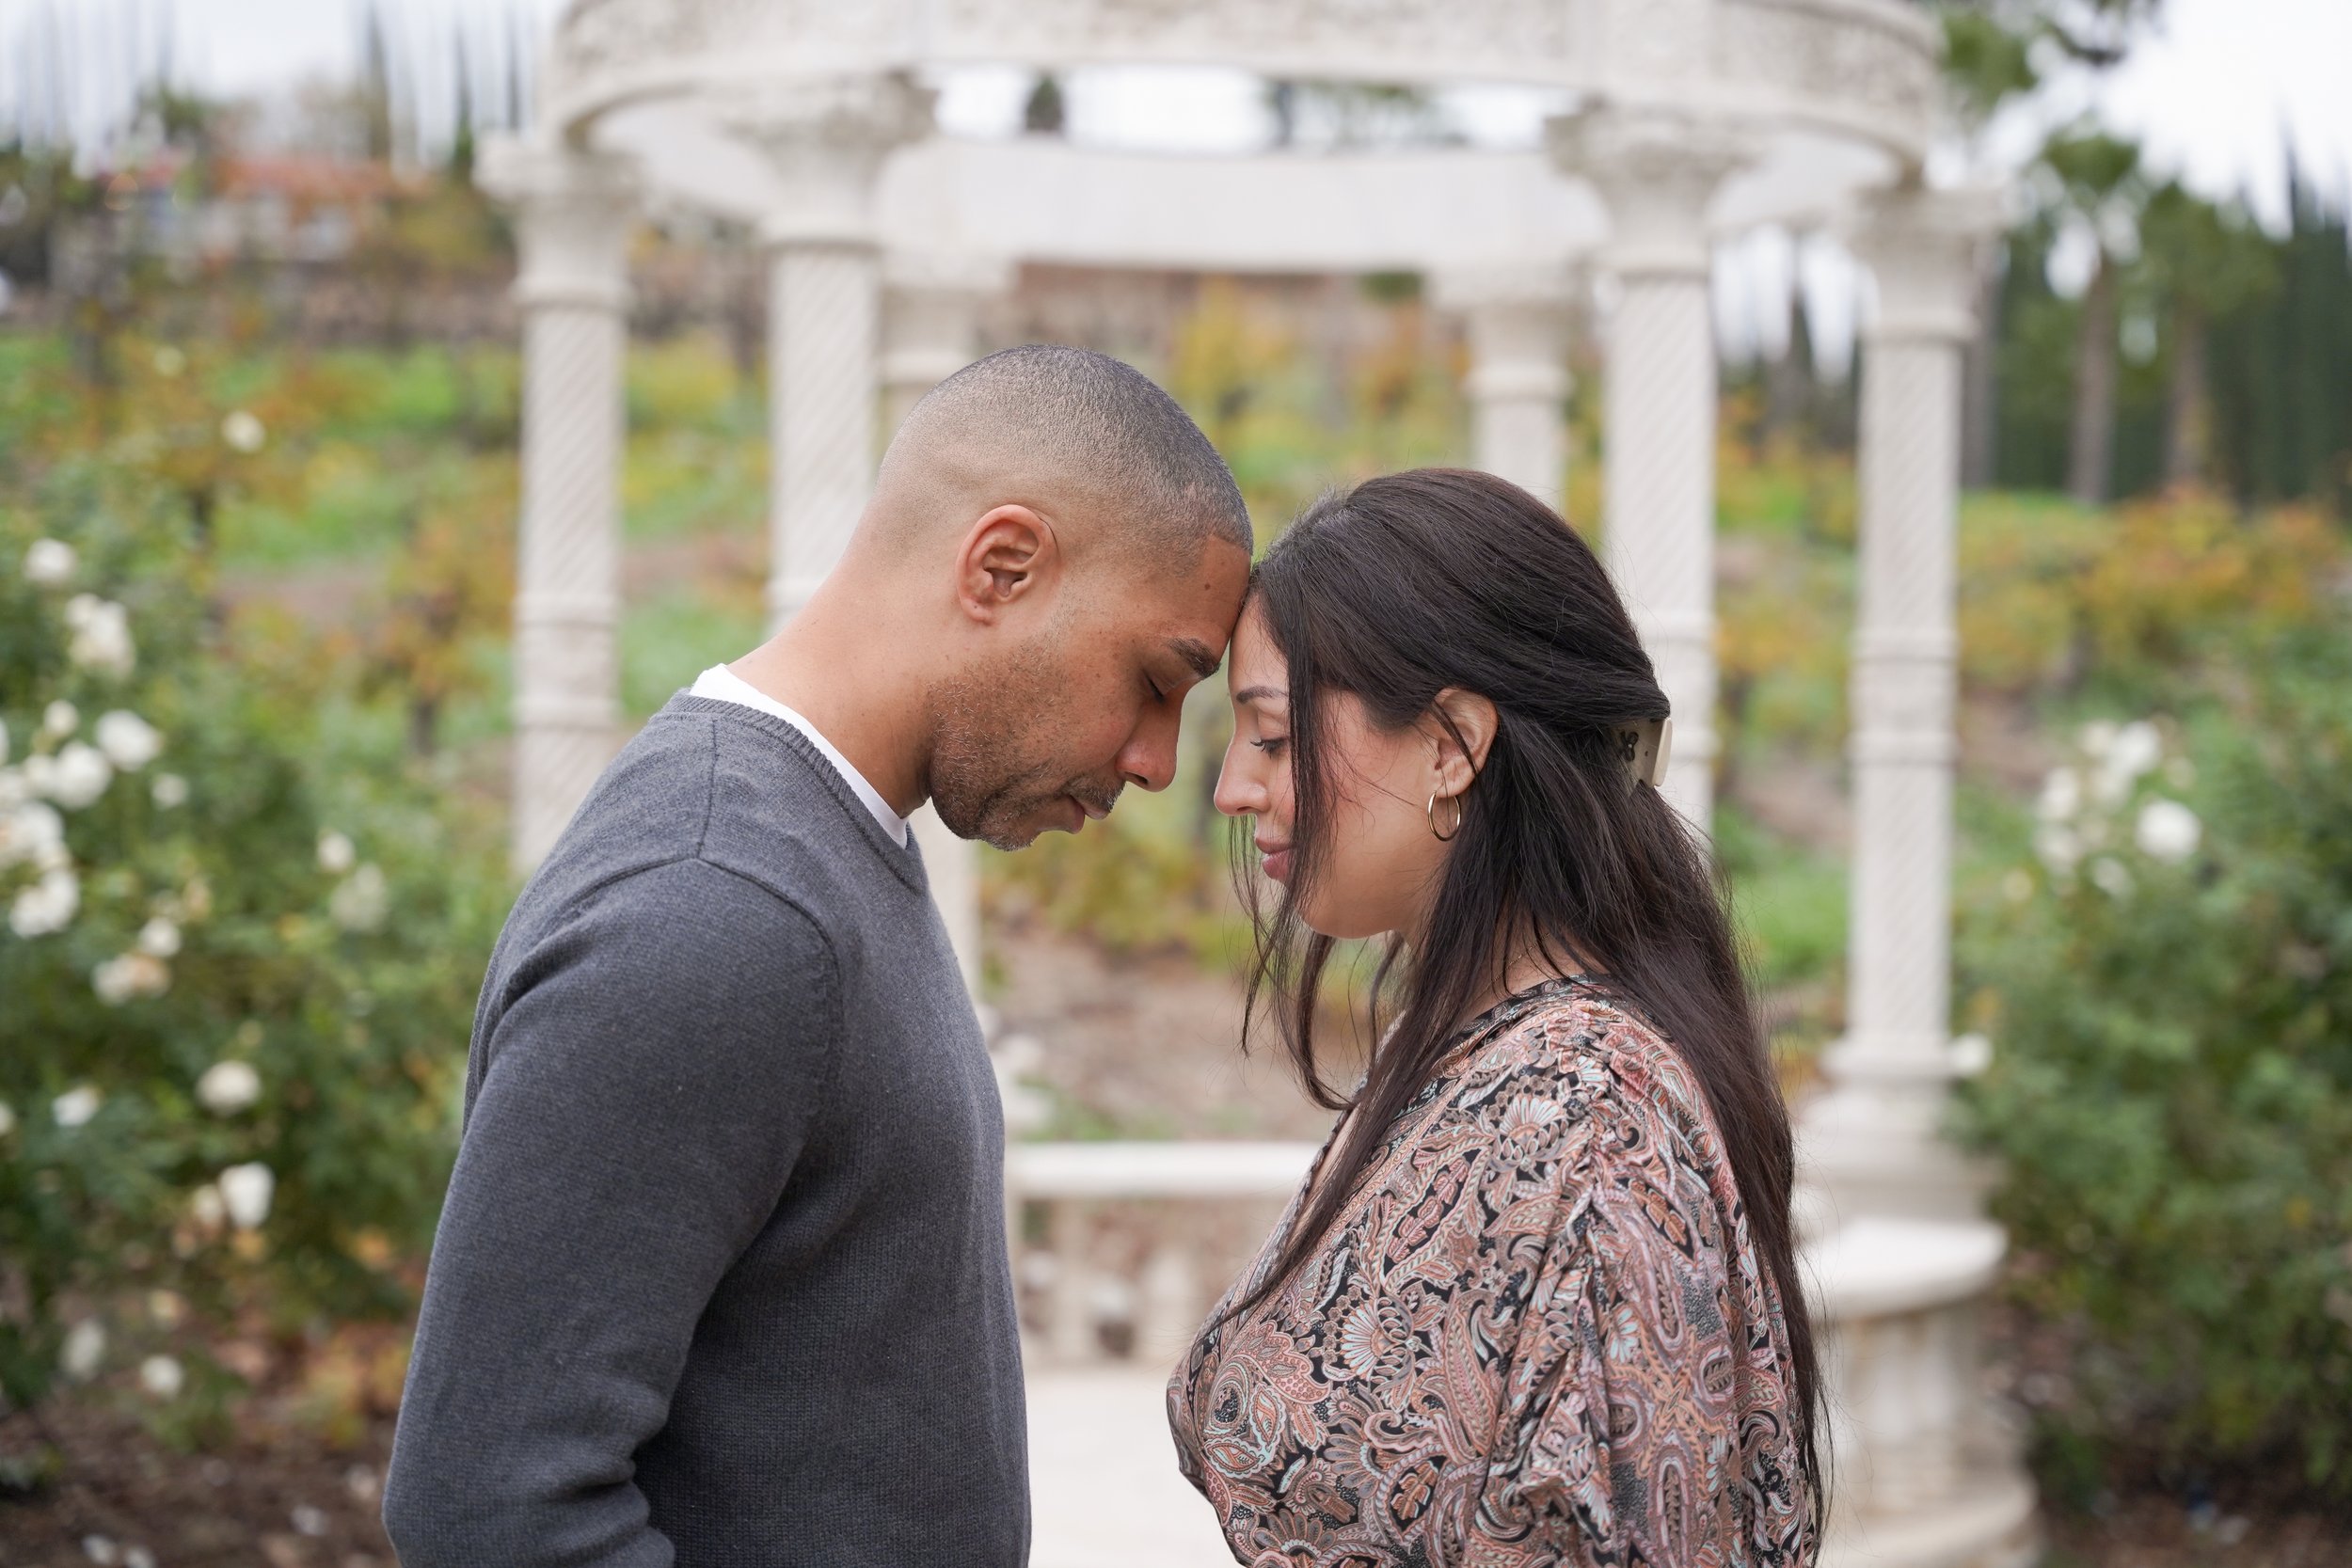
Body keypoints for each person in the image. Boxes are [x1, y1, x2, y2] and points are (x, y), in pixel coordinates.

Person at [382, 345, 1253, 1567]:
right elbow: (491, 1507)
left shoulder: (820, 851)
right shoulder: (716, 906)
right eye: (1157, 679)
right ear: (1003, 566)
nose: (1161, 758)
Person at [1170, 468, 1822, 1566]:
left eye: (1273, 738)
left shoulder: (1596, 1117)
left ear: (1452, 745)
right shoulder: (1461, 1059)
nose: (1234, 786)